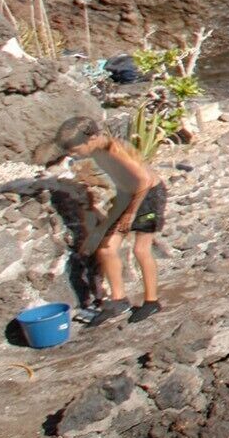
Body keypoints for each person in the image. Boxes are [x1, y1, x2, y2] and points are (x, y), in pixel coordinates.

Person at [50, 118, 165, 325]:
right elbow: (123, 185)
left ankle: (151, 301)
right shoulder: (98, 152)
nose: (73, 155)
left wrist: (130, 214)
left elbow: (144, 181)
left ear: (92, 138)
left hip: (148, 196)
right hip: (129, 196)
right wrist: (112, 219)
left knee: (141, 249)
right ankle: (118, 300)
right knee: (106, 249)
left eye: (76, 150)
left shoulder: (115, 149)